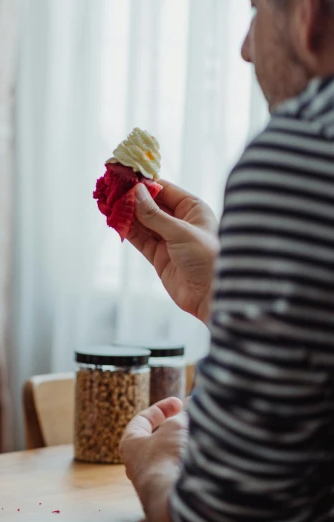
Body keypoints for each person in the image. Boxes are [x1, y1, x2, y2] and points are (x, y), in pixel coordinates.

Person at [119, 0, 334, 520]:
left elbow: (223, 513)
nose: (243, 50)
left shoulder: (299, 153)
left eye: (257, 10)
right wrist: (223, 296)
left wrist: (152, 469)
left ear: (309, 17)